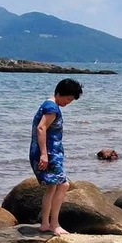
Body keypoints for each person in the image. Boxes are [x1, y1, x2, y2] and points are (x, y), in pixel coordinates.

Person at [30, 78, 81, 233]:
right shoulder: (51, 108)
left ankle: (46, 224)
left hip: (49, 153)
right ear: (59, 93)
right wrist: (44, 155)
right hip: (49, 154)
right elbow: (41, 128)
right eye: (68, 99)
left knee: (52, 187)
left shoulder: (48, 104)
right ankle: (54, 224)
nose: (68, 103)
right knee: (63, 185)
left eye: (71, 101)